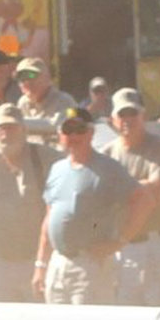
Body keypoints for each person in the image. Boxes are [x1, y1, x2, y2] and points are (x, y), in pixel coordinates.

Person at [34, 106, 134, 304]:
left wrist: (120, 241)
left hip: (90, 262)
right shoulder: (57, 169)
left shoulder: (108, 167)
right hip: (58, 262)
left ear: (91, 132)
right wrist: (40, 264)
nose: (73, 135)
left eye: (79, 129)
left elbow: (142, 200)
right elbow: (48, 220)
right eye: (67, 130)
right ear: (60, 134)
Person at [105, 88, 160, 305]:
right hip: (127, 246)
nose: (128, 119)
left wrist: (119, 191)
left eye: (133, 113)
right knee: (128, 314)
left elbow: (157, 189)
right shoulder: (107, 154)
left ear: (144, 116)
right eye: (122, 114)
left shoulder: (159, 147)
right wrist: (139, 188)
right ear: (112, 119)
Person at [0, 104, 54, 300]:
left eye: (12, 127)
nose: (6, 134)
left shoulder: (45, 160)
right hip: (2, 265)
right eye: (1, 128)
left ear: (24, 131)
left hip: (38, 264)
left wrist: (44, 263)